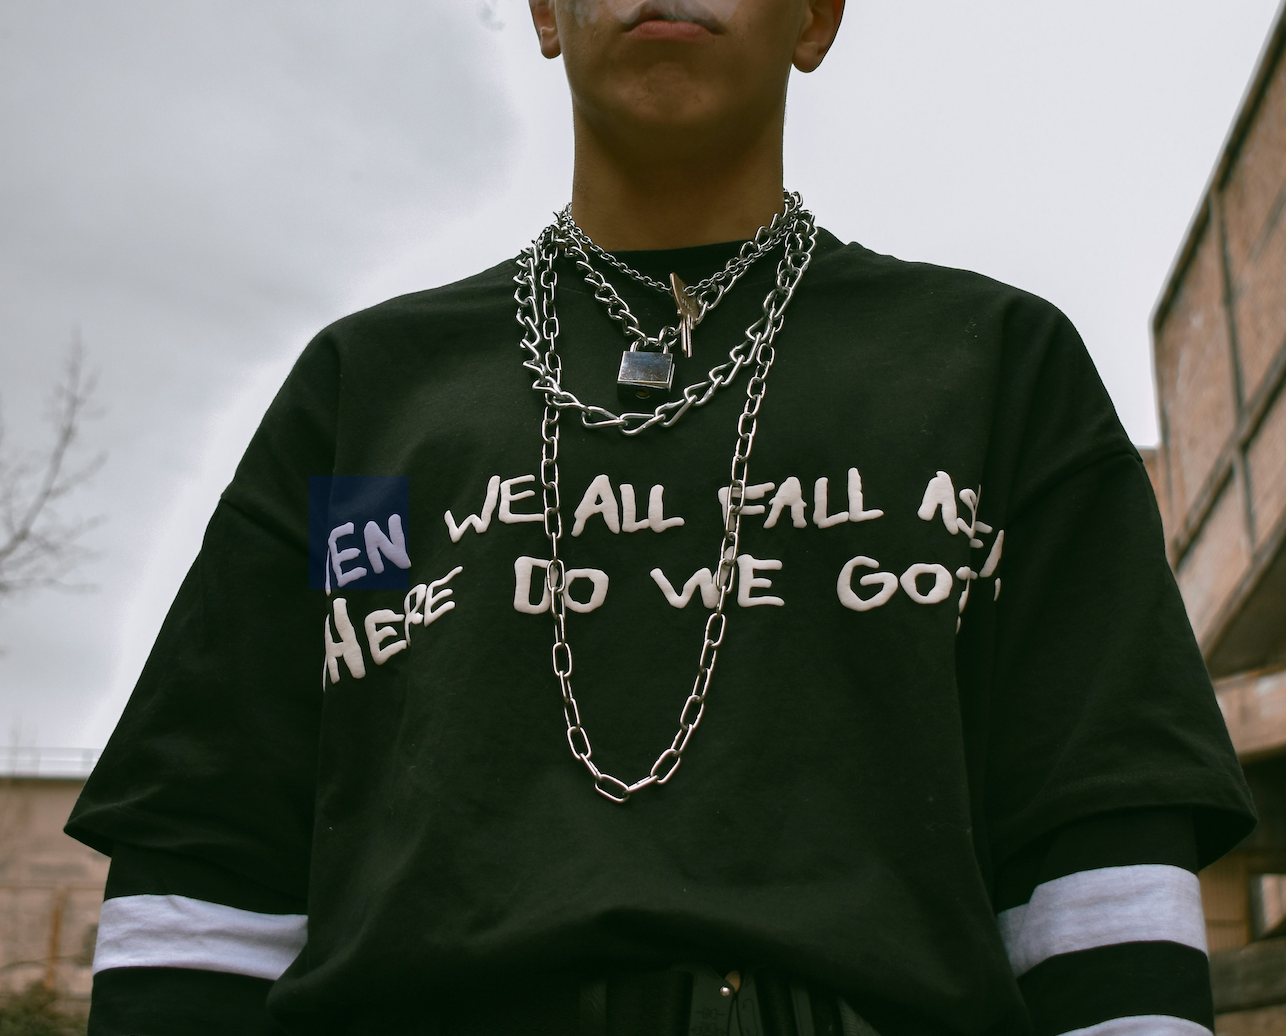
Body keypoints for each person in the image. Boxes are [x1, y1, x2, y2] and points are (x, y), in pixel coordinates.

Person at [68, 2, 1255, 1034]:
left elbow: (1093, 841)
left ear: (814, 18)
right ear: (542, 14)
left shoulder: (989, 373)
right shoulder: (372, 406)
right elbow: (217, 845)